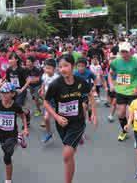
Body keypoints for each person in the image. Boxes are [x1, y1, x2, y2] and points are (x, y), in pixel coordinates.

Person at [44, 54, 97, 183]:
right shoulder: (55, 84)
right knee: (70, 154)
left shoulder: (80, 82)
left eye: (66, 66)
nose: (63, 69)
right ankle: (75, 142)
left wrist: (93, 113)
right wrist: (56, 117)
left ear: (72, 66)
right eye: (60, 67)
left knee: (66, 155)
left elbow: (90, 94)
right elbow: (46, 102)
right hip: (62, 124)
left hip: (77, 122)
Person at [0, 82, 29, 183]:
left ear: (12, 94)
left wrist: (25, 128)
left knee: (7, 156)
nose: (3, 95)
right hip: (1, 134)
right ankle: (19, 139)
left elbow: (22, 116)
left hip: (12, 133)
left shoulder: (16, 106)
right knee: (6, 149)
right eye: (2, 92)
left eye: (6, 93)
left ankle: (8, 180)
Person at [109, 42, 137, 141]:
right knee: (120, 114)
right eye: (122, 52)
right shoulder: (116, 62)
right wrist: (111, 85)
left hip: (133, 92)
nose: (124, 54)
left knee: (131, 114)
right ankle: (124, 131)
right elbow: (110, 73)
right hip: (120, 91)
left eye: (125, 52)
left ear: (130, 51)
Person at [39, 59, 59, 143]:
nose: (47, 70)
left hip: (57, 100)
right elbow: (44, 83)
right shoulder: (44, 75)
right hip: (48, 100)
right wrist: (42, 90)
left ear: (54, 69)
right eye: (46, 68)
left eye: (49, 68)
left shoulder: (57, 78)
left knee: (63, 118)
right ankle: (48, 133)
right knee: (46, 118)